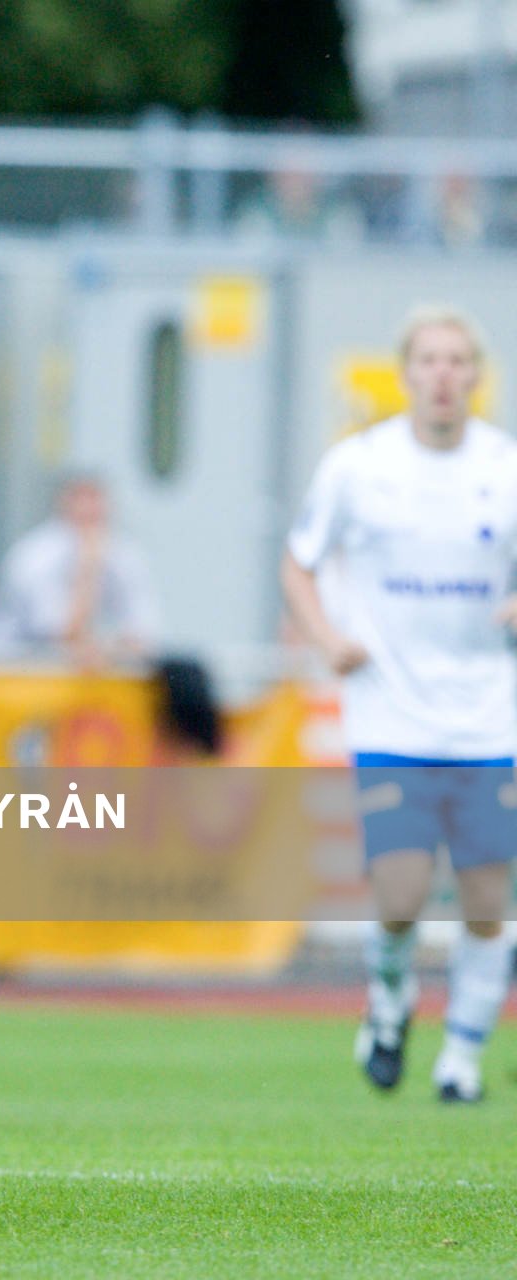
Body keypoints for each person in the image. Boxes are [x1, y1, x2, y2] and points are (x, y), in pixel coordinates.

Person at [281, 305, 517, 1104]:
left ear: (477, 376)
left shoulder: (505, 466)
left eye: (458, 361)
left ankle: (462, 1060)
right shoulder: (359, 465)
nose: (444, 375)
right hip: (392, 714)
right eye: (429, 361)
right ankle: (389, 1001)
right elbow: (299, 561)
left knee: (488, 903)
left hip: (489, 717)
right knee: (400, 894)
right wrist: (327, 638)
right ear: (407, 372)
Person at [0, 472, 160, 665]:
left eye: (95, 499)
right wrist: (88, 568)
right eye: (81, 499)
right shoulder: (36, 556)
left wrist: (109, 648)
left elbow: (145, 633)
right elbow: (60, 637)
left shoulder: (122, 553)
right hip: (12, 667)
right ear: (63, 504)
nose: (89, 509)